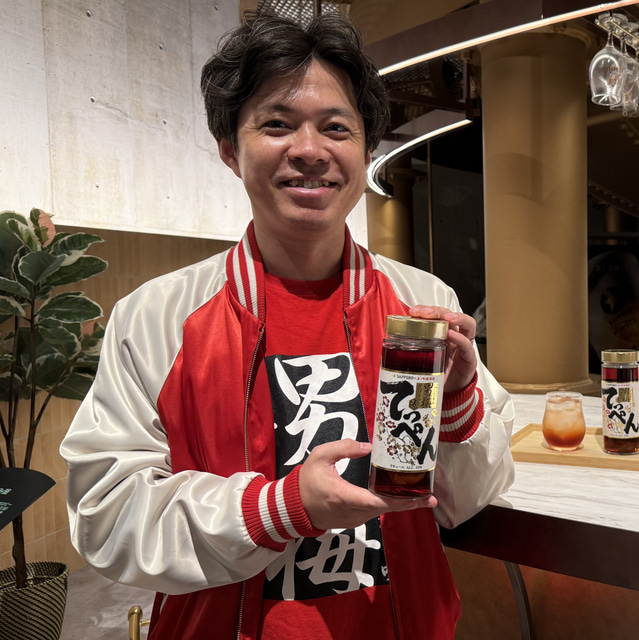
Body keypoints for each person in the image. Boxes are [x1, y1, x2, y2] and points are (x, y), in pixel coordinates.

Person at [61, 11, 514, 640]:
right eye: (276, 124)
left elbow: (466, 498)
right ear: (230, 148)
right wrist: (282, 507)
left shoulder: (421, 301)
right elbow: (109, 516)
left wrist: (459, 400)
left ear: (367, 151)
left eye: (337, 127)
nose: (309, 150)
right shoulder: (159, 316)